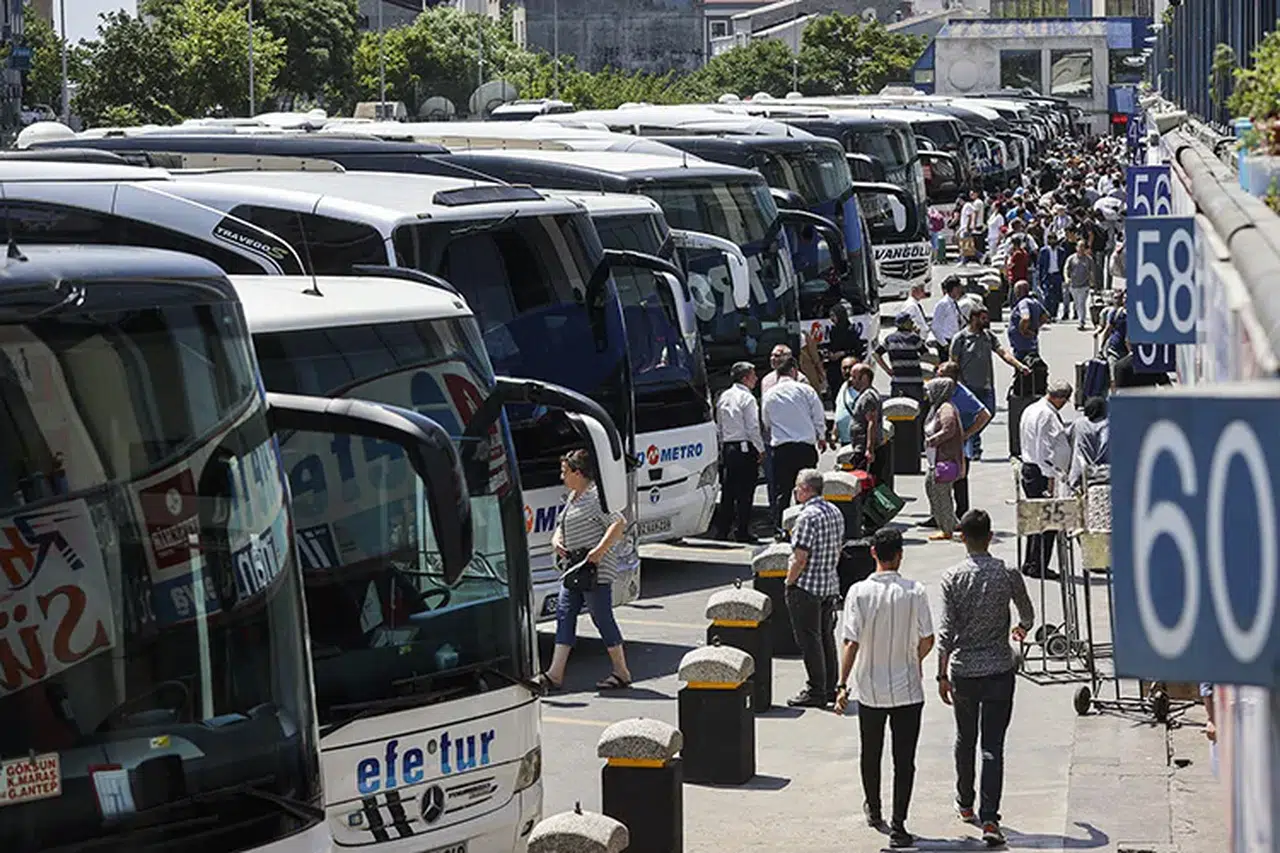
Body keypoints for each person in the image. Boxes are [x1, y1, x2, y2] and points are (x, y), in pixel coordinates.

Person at [936, 509, 1036, 849]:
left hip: (963, 670)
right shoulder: (1007, 573)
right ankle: (990, 818)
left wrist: (940, 673)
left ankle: (965, 801)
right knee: (992, 746)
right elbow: (1028, 614)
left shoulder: (952, 577)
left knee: (966, 738)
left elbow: (946, 631)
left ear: (962, 537)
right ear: (990, 537)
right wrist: (1020, 630)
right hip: (999, 669)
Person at [835, 528, 935, 849]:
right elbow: (928, 638)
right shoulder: (915, 591)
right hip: (908, 689)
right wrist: (911, 657)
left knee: (871, 751)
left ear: (873, 553)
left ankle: (874, 808)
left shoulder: (858, 593)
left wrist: (841, 684)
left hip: (870, 688)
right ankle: (900, 825)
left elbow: (851, 641)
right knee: (904, 759)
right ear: (900, 555)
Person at [540, 449, 632, 691]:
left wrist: (599, 552)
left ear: (578, 473)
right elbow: (561, 523)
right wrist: (556, 539)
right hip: (574, 568)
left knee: (601, 617)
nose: (562, 477)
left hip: (594, 570)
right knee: (564, 613)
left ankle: (621, 672)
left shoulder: (597, 497)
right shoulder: (573, 497)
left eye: (565, 472)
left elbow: (618, 522)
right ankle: (555, 673)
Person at [784, 468, 844, 708]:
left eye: (798, 487)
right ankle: (830, 686)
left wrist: (789, 582)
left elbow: (800, 558)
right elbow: (838, 549)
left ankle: (816, 689)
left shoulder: (807, 517)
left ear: (807, 489)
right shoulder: (835, 511)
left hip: (807, 587)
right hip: (829, 583)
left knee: (809, 640)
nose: (796, 490)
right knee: (826, 638)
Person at [950, 304, 1031, 460]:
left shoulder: (988, 336)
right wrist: (956, 384)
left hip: (986, 386)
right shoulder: (960, 338)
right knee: (972, 417)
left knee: (989, 414)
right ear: (973, 319)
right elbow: (953, 364)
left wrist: (1019, 366)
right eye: (983, 318)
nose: (986, 321)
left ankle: (968, 437)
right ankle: (972, 448)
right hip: (968, 387)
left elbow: (1003, 353)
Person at [761, 354, 827, 529]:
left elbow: (766, 422)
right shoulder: (806, 390)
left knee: (782, 491)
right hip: (805, 448)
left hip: (781, 449)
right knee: (808, 490)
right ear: (794, 371)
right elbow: (818, 415)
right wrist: (821, 436)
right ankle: (806, 525)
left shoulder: (769, 394)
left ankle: (780, 528)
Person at [1018, 380, 1073, 581]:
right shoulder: (1048, 415)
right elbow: (1044, 450)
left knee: (1034, 520)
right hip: (1041, 472)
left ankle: (1030, 562)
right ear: (1059, 398)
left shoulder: (1031, 409)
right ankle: (1039, 565)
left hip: (1030, 468)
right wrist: (1050, 478)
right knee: (1048, 521)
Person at [711, 361, 764, 542]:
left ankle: (722, 530)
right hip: (744, 447)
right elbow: (752, 427)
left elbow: (719, 425)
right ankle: (742, 530)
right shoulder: (747, 398)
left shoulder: (723, 396)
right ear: (745, 378)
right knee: (745, 492)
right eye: (753, 375)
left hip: (728, 448)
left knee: (728, 491)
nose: (756, 379)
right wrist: (761, 449)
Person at [760, 344, 809, 510]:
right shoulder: (766, 380)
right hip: (772, 440)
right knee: (774, 483)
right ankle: (776, 517)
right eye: (773, 355)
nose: (774, 359)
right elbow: (765, 411)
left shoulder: (801, 380)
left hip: (796, 439)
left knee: (798, 483)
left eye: (779, 356)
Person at [923, 377, 965, 541]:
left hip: (945, 461)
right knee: (931, 487)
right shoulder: (938, 407)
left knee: (942, 494)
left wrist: (933, 440)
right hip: (936, 460)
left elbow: (949, 429)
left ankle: (946, 529)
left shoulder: (946, 409)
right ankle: (952, 522)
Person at [874, 310, 929, 401]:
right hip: (915, 382)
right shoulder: (914, 338)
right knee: (918, 409)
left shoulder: (890, 339)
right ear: (904, 324)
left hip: (898, 382)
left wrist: (888, 370)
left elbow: (876, 354)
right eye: (910, 321)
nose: (912, 323)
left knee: (897, 409)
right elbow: (925, 353)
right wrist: (918, 335)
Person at [845, 363, 885, 483]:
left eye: (854, 376)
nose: (850, 380)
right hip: (860, 447)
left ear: (864, 378)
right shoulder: (865, 395)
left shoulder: (868, 397)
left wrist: (869, 449)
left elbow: (871, 422)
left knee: (864, 483)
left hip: (864, 450)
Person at [824, 302, 863, 406]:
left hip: (847, 368)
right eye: (831, 316)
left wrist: (842, 353)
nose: (832, 319)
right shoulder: (833, 331)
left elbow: (858, 350)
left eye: (834, 316)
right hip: (835, 369)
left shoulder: (851, 331)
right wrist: (830, 354)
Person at [1068, 395, 1110, 489]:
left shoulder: (1078, 423)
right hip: (1100, 476)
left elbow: (1066, 437)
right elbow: (1105, 445)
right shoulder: (1107, 425)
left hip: (1078, 474)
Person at [1006, 279, 1046, 360]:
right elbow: (1045, 316)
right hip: (1031, 344)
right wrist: (1035, 327)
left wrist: (1024, 331)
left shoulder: (1023, 303)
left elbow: (1025, 318)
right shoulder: (1034, 301)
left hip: (1022, 346)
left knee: (1023, 368)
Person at [931, 275, 966, 364]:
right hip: (946, 343)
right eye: (958, 288)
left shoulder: (954, 303)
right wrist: (944, 344)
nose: (960, 290)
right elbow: (935, 327)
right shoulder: (943, 304)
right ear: (953, 289)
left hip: (955, 341)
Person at [1063, 240, 1094, 328]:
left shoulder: (1089, 259)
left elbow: (1091, 271)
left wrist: (1092, 282)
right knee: (1077, 303)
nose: (1081, 248)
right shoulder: (1071, 258)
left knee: (1081, 303)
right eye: (1079, 246)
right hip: (1073, 285)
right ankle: (1080, 318)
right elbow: (1066, 269)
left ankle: (1081, 322)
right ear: (1076, 248)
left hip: (1085, 285)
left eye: (1083, 247)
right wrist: (1067, 278)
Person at [833, 355, 862, 445]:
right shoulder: (843, 387)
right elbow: (840, 411)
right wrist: (834, 434)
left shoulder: (864, 391)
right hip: (845, 441)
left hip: (859, 442)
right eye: (844, 368)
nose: (847, 371)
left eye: (851, 368)